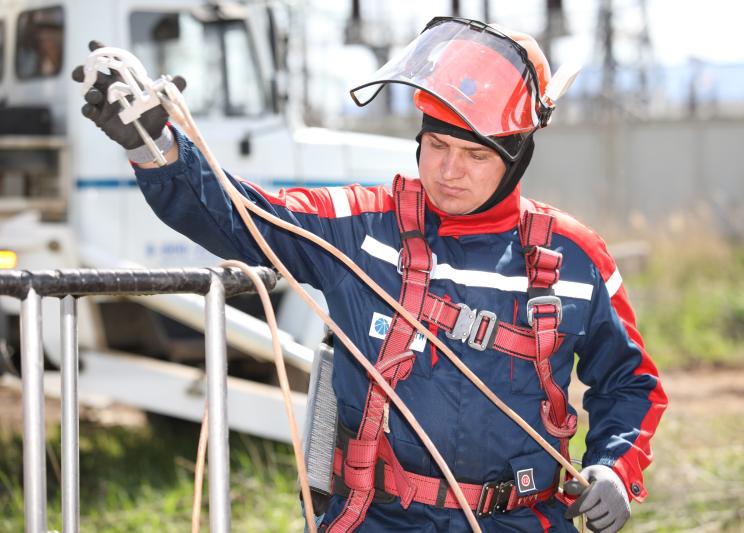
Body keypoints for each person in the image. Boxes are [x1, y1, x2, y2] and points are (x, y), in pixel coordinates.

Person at [73, 17, 667, 533]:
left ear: (518, 158)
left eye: (477, 156)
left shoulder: (574, 260)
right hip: (380, 518)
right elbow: (240, 215)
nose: (449, 171)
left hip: (520, 520)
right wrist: (155, 143)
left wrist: (615, 466)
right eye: (436, 145)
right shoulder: (362, 229)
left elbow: (631, 383)